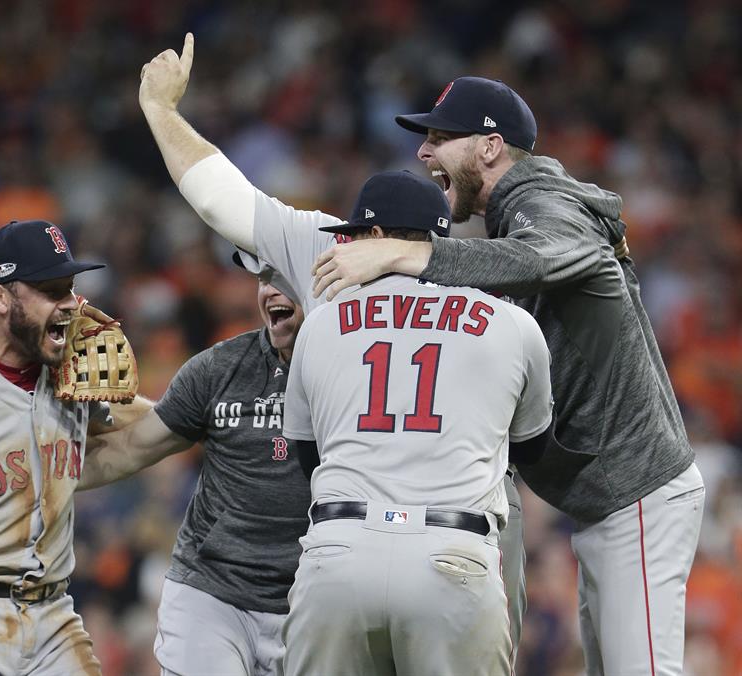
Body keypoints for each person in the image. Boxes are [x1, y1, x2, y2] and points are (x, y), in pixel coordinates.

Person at [137, 35, 528, 664]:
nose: (425, 149)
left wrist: (161, 112)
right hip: (460, 543)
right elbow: (526, 435)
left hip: (344, 545)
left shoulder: (329, 255)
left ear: (366, 233)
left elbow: (219, 196)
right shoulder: (486, 286)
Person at [310, 77, 705, 676]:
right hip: (615, 498)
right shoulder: (520, 211)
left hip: (640, 488)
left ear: (489, 147)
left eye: (440, 137)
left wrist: (401, 254)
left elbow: (551, 250)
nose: (424, 153)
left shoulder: (540, 200)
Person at [280, 170, 553, 675]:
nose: (342, 249)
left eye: (351, 236)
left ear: (378, 239)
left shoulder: (321, 322)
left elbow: (307, 455)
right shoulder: (510, 322)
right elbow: (531, 450)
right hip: (453, 556)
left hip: (340, 553)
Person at [76, 256, 309, 676]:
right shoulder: (218, 368)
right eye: (263, 278)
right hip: (212, 593)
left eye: (286, 278)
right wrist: (35, 477)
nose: (270, 290)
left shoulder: (363, 376)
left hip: (311, 598)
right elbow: (130, 449)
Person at [0, 219, 111, 675]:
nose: (70, 305)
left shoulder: (71, 371)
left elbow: (131, 440)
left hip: (54, 614)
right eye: (50, 290)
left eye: (70, 288)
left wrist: (206, 408)